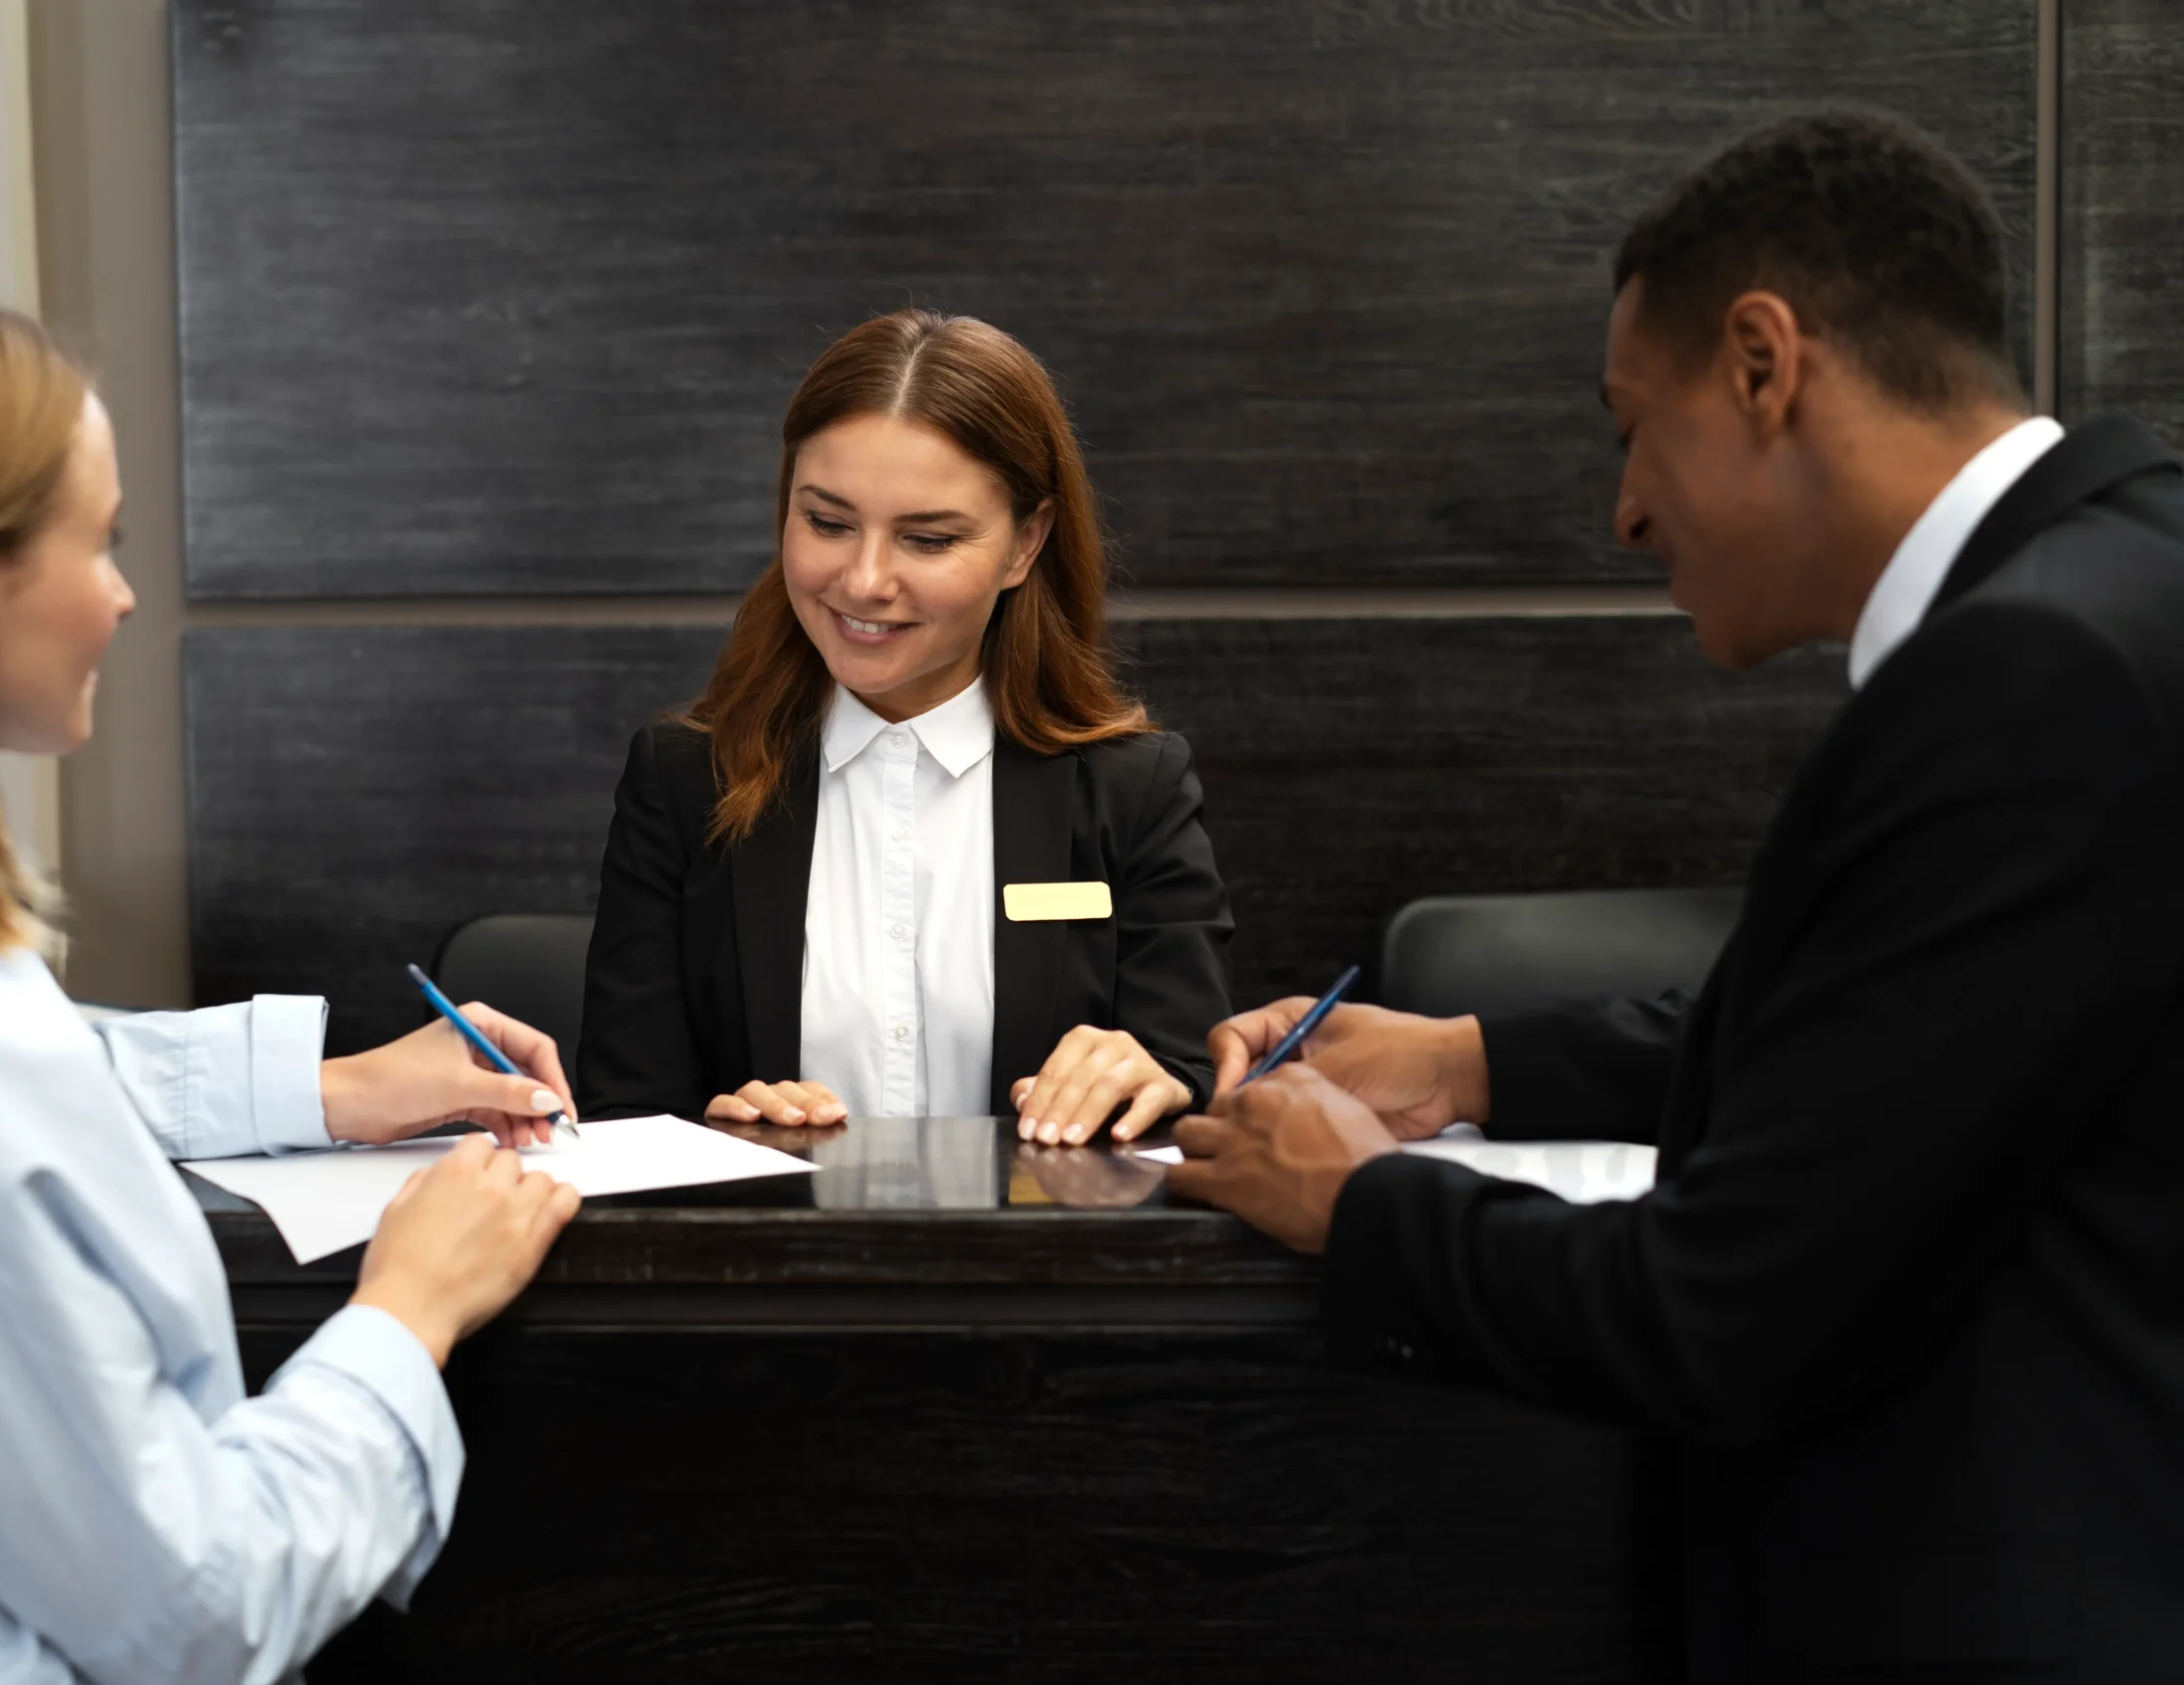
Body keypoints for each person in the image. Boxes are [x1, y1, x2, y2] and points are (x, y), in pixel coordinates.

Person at [1176, 110, 2184, 1678]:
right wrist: (1471, 1059)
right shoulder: (2126, 574)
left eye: (1632, 429)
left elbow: (1731, 1312)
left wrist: (1362, 1201)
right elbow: (1901, 1049)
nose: (1627, 509)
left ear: (1764, 364)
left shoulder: (2026, 673)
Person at [0, 280, 585, 1684]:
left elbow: (38, 1079)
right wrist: (409, 1309)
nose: (126, 593)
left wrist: (332, 1087)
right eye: (104, 541)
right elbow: (190, 1607)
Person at [580, 310, 1233, 1146]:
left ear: (1025, 544)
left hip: (1048, 1233)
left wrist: (1157, 1081)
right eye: (827, 523)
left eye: (927, 539)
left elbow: (1191, 1080)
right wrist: (720, 1135)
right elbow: (626, 1122)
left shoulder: (1133, 789)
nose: (864, 580)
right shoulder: (682, 781)